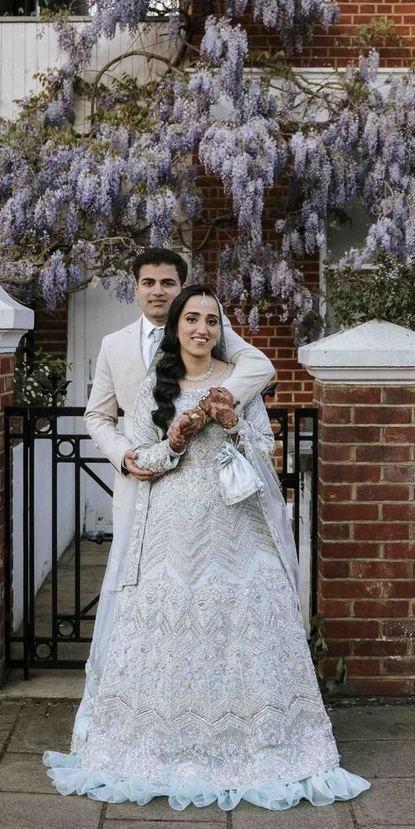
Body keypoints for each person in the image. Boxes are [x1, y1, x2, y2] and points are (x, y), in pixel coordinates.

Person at [46, 285, 369, 811]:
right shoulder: (154, 387)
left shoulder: (237, 382)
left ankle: (260, 748)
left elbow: (264, 452)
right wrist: (174, 440)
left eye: (212, 321)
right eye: (192, 319)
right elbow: (143, 460)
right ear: (175, 327)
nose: (202, 329)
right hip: (170, 526)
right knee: (170, 630)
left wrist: (232, 424)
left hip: (236, 523)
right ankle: (161, 747)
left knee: (243, 626)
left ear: (221, 330)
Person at [79, 249, 276, 723]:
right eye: (149, 282)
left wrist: (222, 408)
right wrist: (127, 455)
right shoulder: (115, 345)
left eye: (168, 283)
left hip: (225, 508)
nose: (158, 291)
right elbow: (98, 416)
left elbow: (261, 371)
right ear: (136, 288)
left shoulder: (216, 335)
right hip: (150, 490)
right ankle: (142, 707)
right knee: (140, 599)